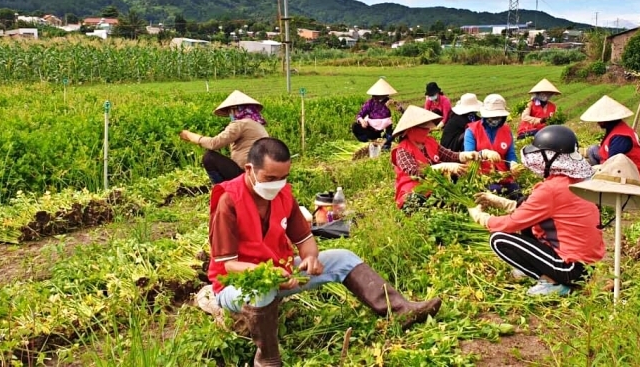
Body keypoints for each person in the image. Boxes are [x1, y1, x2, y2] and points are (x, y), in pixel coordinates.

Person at [208, 137, 441, 365]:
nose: (277, 184)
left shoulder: (283, 194)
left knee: (343, 258)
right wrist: (269, 275)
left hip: (282, 274)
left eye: (283, 177)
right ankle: (268, 358)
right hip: (237, 286)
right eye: (270, 178)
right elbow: (229, 265)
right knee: (262, 288)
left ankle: (401, 310)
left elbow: (305, 238)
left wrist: (310, 258)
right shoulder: (229, 200)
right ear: (249, 169)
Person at [467, 125, 604, 296]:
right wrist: (500, 202)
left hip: (572, 268)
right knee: (529, 224)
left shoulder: (552, 189)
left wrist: (483, 218)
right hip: (587, 264)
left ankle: (554, 283)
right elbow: (532, 207)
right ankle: (547, 270)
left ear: (551, 158)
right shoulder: (574, 181)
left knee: (498, 239)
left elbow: (512, 223)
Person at [390, 106, 490, 209]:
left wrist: (465, 155)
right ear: (411, 130)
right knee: (418, 200)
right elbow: (415, 172)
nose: (427, 131)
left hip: (434, 187)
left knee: (456, 188)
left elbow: (449, 155)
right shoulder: (402, 149)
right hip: (412, 190)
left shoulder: (429, 142)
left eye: (427, 128)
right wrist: (443, 167)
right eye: (423, 129)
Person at [180, 90, 269, 184]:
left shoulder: (240, 124)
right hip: (259, 173)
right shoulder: (256, 124)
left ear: (235, 109)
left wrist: (189, 136)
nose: (230, 114)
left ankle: (223, 190)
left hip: (247, 174)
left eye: (230, 111)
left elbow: (214, 144)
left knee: (209, 157)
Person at [463, 94, 521, 199]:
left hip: (503, 176)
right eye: (492, 116)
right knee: (494, 191)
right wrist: (484, 153)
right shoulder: (472, 131)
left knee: (516, 193)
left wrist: (513, 164)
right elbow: (469, 156)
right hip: (482, 176)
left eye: (498, 117)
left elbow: (510, 153)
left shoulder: (506, 130)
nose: (495, 119)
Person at [580, 95, 640, 183]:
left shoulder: (621, 137)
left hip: (628, 175)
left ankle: (599, 183)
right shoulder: (614, 128)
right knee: (592, 150)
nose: (598, 123)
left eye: (600, 120)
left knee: (583, 179)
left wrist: (594, 170)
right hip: (614, 162)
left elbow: (613, 166)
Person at [352, 78, 399, 151]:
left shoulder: (390, 103)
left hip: (386, 131)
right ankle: (369, 142)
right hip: (373, 130)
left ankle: (387, 144)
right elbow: (360, 115)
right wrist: (362, 121)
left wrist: (394, 108)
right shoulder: (370, 103)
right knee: (355, 126)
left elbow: (398, 114)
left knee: (395, 131)